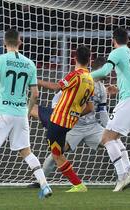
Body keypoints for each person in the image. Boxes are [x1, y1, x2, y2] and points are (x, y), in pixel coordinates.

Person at [0, 29, 52, 200]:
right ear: (20, 42)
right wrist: (27, 113)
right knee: (27, 152)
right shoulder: (29, 64)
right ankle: (44, 185)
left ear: (4, 43)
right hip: (21, 114)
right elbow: (35, 94)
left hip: (2, 112)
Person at [27, 57, 118, 188]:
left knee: (113, 143)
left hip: (92, 127)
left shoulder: (102, 89)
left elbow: (102, 112)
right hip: (74, 126)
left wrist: (110, 128)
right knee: (56, 153)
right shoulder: (80, 80)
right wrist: (61, 115)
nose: (109, 74)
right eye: (107, 71)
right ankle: (40, 181)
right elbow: (57, 97)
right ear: (99, 69)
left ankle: (123, 176)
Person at [91, 27, 130, 192]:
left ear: (113, 40)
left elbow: (105, 71)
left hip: (129, 101)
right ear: (128, 40)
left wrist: (84, 76)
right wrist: (120, 89)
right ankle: (129, 171)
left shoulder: (116, 52)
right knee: (115, 138)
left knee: (107, 138)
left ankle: (122, 176)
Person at [38, 45, 94, 192]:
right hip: (70, 121)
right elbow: (90, 108)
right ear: (89, 59)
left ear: (74, 58)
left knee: (56, 154)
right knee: (58, 152)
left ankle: (78, 184)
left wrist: (36, 81)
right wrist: (74, 113)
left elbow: (56, 87)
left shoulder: (75, 75)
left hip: (58, 119)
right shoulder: (90, 80)